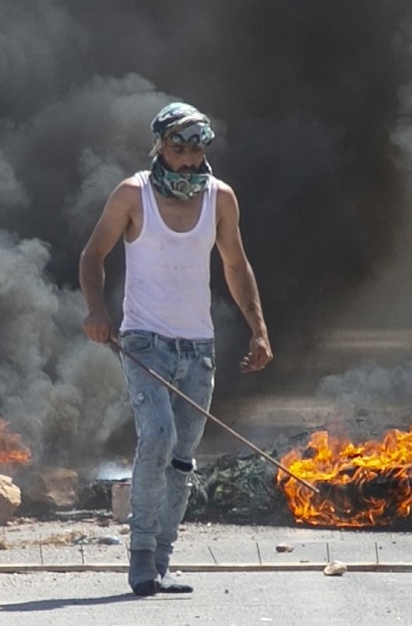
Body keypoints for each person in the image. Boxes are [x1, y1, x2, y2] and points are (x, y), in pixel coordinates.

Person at [79, 100, 272, 597]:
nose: (187, 159)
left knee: (183, 457)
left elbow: (236, 266)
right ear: (160, 146)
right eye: (177, 147)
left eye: (195, 148)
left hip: (198, 348)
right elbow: (93, 254)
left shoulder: (220, 199)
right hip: (145, 341)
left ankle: (161, 562)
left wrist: (259, 329)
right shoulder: (132, 195)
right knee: (158, 437)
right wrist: (98, 311)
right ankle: (140, 558)